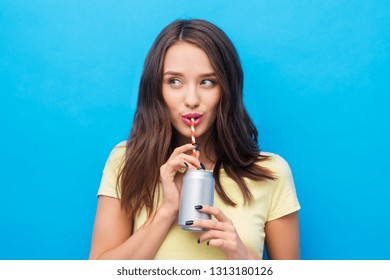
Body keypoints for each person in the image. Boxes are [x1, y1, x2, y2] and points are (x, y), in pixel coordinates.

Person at [89, 19, 300, 260]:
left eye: (207, 82)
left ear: (227, 90)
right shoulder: (127, 160)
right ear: (156, 89)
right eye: (174, 82)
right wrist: (168, 211)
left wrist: (242, 256)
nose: (191, 99)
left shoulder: (271, 172)